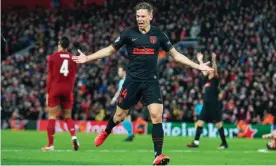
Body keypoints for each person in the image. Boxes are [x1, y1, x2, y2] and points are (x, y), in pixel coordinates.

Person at [73, 2, 213, 165]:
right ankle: (107, 131)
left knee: (156, 115)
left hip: (150, 81)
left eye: (143, 16)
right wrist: (87, 58)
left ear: (150, 16)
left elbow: (176, 55)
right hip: (132, 81)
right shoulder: (128, 33)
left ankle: (157, 156)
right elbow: (109, 50)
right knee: (120, 116)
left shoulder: (159, 35)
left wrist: (198, 65)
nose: (140, 19)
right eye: (138, 16)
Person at [41, 37, 80, 151]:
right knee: (67, 116)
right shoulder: (73, 58)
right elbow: (73, 76)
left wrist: (48, 92)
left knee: (52, 116)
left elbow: (50, 77)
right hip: (67, 90)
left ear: (59, 44)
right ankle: (74, 137)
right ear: (67, 46)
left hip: (55, 89)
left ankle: (50, 144)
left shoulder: (52, 57)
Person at [187, 53, 228, 149]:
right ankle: (196, 142)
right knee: (200, 123)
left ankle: (224, 143)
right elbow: (202, 69)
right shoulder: (207, 79)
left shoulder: (215, 79)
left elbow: (215, 69)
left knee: (218, 124)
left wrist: (214, 60)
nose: (210, 70)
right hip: (206, 105)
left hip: (214, 105)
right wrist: (200, 60)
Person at [110, 64, 135, 141]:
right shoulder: (130, 79)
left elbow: (119, 91)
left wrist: (114, 99)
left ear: (124, 72)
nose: (118, 73)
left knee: (120, 118)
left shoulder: (124, 81)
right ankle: (130, 135)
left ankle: (131, 133)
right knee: (128, 118)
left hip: (125, 101)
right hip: (130, 100)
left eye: (119, 71)